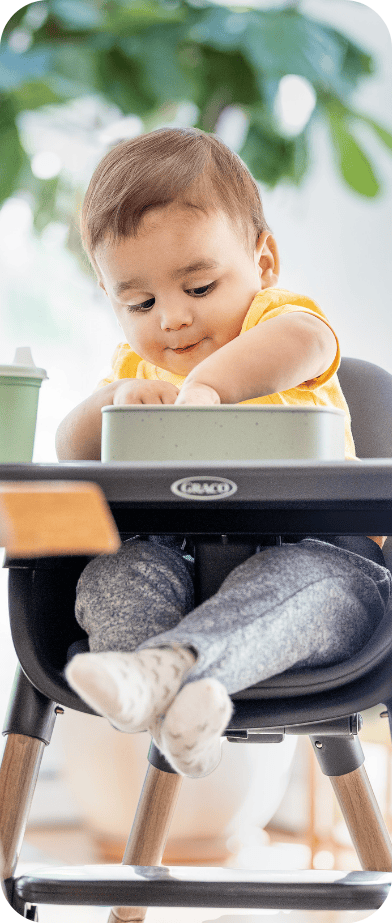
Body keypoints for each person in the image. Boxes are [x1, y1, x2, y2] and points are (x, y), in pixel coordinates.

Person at [57, 127, 390, 779]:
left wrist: (208, 389)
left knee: (313, 589)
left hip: (318, 563)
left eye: (200, 287)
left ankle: (177, 668)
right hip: (174, 566)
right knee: (112, 575)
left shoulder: (283, 320)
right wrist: (115, 401)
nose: (172, 319)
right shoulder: (134, 368)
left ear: (262, 263)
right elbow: (72, 447)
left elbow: (306, 344)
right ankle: (153, 680)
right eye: (141, 302)